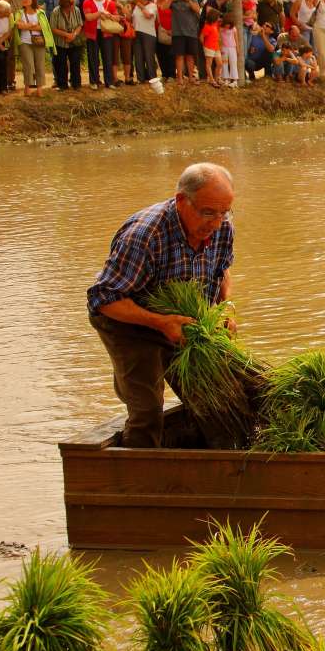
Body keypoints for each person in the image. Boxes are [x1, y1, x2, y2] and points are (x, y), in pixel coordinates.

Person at [88, 163, 240, 447]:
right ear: (182, 200)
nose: (216, 223)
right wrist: (160, 322)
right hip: (128, 320)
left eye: (224, 212)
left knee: (215, 395)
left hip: (184, 321)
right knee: (147, 409)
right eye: (208, 212)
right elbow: (102, 299)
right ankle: (136, 482)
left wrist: (224, 307)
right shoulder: (145, 235)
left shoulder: (222, 228)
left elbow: (222, 271)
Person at [50, 0, 84, 89]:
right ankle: (62, 85)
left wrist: (73, 35)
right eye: (68, 7)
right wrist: (66, 35)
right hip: (60, 42)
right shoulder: (56, 12)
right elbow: (53, 28)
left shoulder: (76, 10)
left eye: (71, 6)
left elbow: (80, 25)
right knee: (61, 64)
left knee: (75, 63)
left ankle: (76, 84)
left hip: (74, 41)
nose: (70, 8)